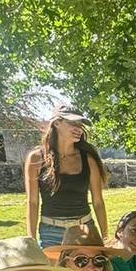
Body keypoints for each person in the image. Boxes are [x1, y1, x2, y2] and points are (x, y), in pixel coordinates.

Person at [24, 105, 108, 247]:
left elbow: (98, 201)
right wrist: (31, 240)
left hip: (85, 228)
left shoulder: (88, 159)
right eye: (73, 123)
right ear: (56, 123)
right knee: (54, 270)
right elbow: (32, 202)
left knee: (87, 269)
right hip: (51, 231)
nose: (79, 129)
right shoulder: (36, 158)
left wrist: (105, 237)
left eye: (80, 125)